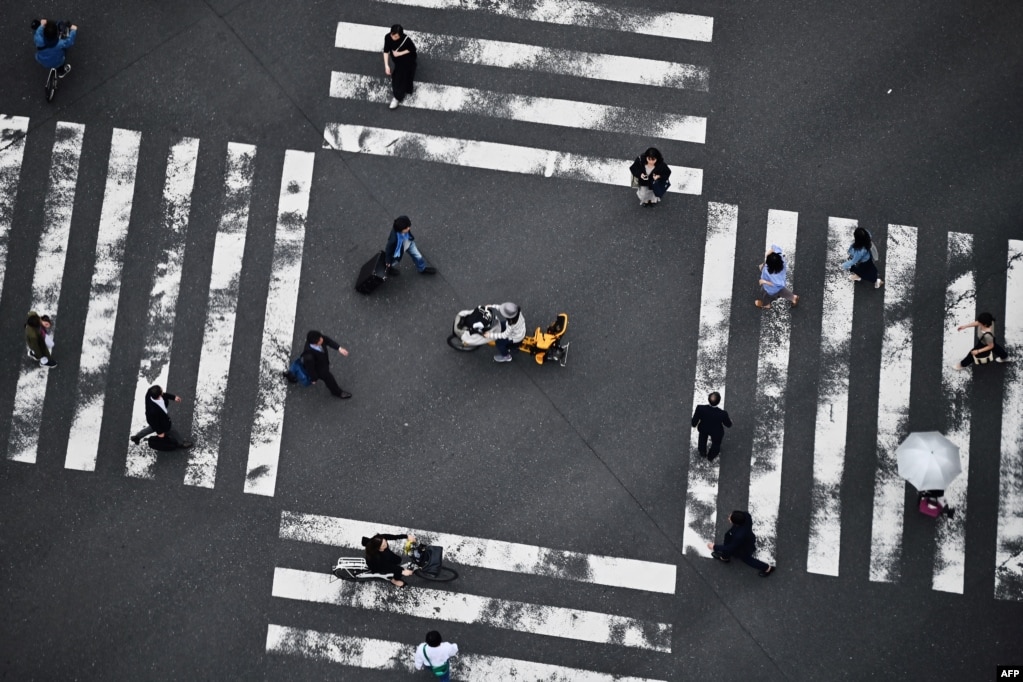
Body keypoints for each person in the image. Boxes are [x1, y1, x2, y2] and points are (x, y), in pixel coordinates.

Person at [706, 510, 774, 577]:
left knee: (748, 560)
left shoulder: (739, 535)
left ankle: (767, 568)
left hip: (742, 548)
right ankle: (724, 558)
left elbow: (730, 547)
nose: (729, 517)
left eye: (730, 518)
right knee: (729, 547)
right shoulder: (746, 516)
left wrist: (714, 547)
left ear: (736, 523)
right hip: (748, 540)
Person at [301, 330, 352, 398]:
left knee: (302, 370)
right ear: (315, 343)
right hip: (320, 370)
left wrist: (339, 348)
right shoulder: (308, 356)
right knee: (329, 379)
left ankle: (291, 375)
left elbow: (328, 340)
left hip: (322, 364)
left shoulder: (317, 339)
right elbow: (310, 369)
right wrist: (314, 379)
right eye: (320, 339)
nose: (322, 339)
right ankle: (337, 392)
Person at [383, 24, 417, 109]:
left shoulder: (406, 40)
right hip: (397, 61)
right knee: (406, 77)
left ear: (400, 35)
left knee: (398, 79)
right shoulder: (388, 37)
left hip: (407, 60)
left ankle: (397, 97)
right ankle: (407, 89)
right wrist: (386, 65)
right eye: (392, 35)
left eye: (396, 36)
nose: (393, 37)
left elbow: (412, 49)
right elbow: (386, 51)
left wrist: (399, 53)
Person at [691, 391, 732, 461]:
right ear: (719, 401)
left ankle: (702, 452)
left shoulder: (700, 408)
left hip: (704, 428)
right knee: (716, 444)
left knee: (702, 440)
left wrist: (695, 423)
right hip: (716, 431)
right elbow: (728, 424)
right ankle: (711, 456)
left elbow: (694, 422)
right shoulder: (722, 414)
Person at [755, 244, 799, 309]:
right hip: (778, 284)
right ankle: (793, 298)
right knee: (781, 291)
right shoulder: (780, 258)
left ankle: (767, 305)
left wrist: (764, 281)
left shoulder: (770, 274)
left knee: (766, 294)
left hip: (772, 288)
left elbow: (773, 284)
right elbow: (774, 248)